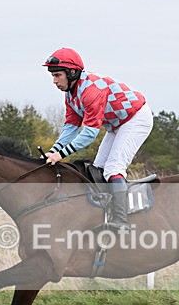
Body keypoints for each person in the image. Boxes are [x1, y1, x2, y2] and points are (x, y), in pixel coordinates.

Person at [43, 47, 153, 231]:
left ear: (71, 73)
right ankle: (104, 213)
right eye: (52, 76)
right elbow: (71, 127)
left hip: (135, 119)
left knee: (113, 168)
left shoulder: (91, 91)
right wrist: (53, 151)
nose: (54, 81)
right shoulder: (71, 94)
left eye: (57, 75)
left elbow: (89, 135)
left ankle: (121, 220)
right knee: (98, 169)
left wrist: (61, 154)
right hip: (116, 124)